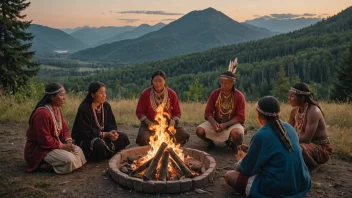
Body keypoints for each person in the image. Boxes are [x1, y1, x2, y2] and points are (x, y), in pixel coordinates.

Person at [225, 96, 311, 197]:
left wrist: (239, 162)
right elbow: (276, 150)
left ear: (260, 115)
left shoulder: (261, 135)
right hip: (301, 183)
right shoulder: (289, 128)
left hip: (279, 187)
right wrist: (250, 150)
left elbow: (247, 169)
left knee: (230, 176)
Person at [24, 83, 86, 174]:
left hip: (55, 145)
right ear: (52, 97)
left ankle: (65, 164)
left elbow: (64, 128)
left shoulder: (56, 109)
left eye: (64, 95)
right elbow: (44, 140)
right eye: (61, 95)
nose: (64, 98)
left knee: (79, 151)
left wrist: (68, 141)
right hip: (41, 150)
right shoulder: (42, 113)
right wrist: (62, 146)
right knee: (70, 159)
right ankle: (42, 165)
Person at [71, 81, 130, 161]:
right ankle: (101, 155)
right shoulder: (84, 108)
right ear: (92, 94)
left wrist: (112, 132)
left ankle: (107, 154)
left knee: (123, 137)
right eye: (101, 93)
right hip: (88, 138)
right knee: (99, 145)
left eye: (105, 92)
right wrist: (104, 134)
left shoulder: (106, 106)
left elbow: (111, 122)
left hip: (105, 135)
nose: (104, 95)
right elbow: (85, 131)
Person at [196, 58, 246, 152]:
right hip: (217, 122)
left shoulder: (239, 96)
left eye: (227, 83)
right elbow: (208, 113)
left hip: (232, 124)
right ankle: (210, 143)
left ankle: (233, 144)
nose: (224, 85)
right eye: (222, 82)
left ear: (233, 83)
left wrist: (225, 125)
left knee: (237, 134)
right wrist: (214, 124)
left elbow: (240, 117)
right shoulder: (215, 94)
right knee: (199, 130)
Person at [135, 70, 190, 146]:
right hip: (150, 127)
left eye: (160, 81)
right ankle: (161, 142)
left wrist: (173, 120)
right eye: (155, 81)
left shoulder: (172, 94)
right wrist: (148, 122)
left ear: (165, 81)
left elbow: (177, 112)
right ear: (152, 81)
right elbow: (139, 112)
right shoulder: (145, 93)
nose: (158, 84)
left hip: (168, 127)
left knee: (183, 135)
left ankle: (161, 141)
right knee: (144, 138)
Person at [288, 83, 332, 172]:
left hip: (321, 149)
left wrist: (287, 140)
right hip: (304, 144)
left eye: (292, 96)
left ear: (302, 98)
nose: (289, 98)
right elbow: (288, 130)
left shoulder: (313, 111)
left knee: (296, 147)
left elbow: (307, 139)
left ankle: (314, 165)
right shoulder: (294, 111)